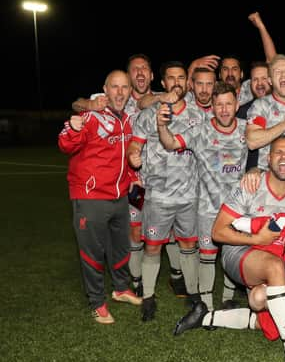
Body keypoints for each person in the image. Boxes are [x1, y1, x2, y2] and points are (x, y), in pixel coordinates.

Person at [174, 135, 285, 362]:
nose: (284, 157)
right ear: (269, 158)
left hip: (274, 256)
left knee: (263, 306)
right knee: (274, 266)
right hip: (240, 251)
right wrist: (257, 238)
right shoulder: (250, 185)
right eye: (278, 152)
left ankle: (205, 317)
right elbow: (218, 231)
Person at [157, 82, 248, 316]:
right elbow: (170, 143)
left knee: (232, 254)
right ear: (213, 107)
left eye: (229, 104)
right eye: (219, 105)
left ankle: (228, 299)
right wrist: (161, 125)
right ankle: (206, 306)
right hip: (209, 208)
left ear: (237, 104)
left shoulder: (248, 130)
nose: (225, 109)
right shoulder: (200, 130)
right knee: (208, 256)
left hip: (238, 210)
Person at [58, 70, 142, 324]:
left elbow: (121, 155)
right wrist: (72, 129)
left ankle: (121, 289)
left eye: (124, 87)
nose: (119, 92)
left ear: (129, 91)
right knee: (92, 252)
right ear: (105, 89)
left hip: (118, 197)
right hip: (91, 196)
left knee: (120, 247)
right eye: (114, 87)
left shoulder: (126, 119)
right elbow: (66, 145)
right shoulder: (91, 116)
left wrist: (131, 175)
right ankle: (97, 302)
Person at [127, 61, 202, 321]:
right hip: (157, 195)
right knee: (152, 247)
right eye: (171, 78)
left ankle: (194, 295)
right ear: (163, 83)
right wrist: (134, 155)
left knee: (189, 245)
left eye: (181, 77)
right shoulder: (148, 114)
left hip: (188, 195)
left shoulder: (197, 115)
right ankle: (148, 297)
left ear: (187, 83)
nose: (176, 82)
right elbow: (134, 146)